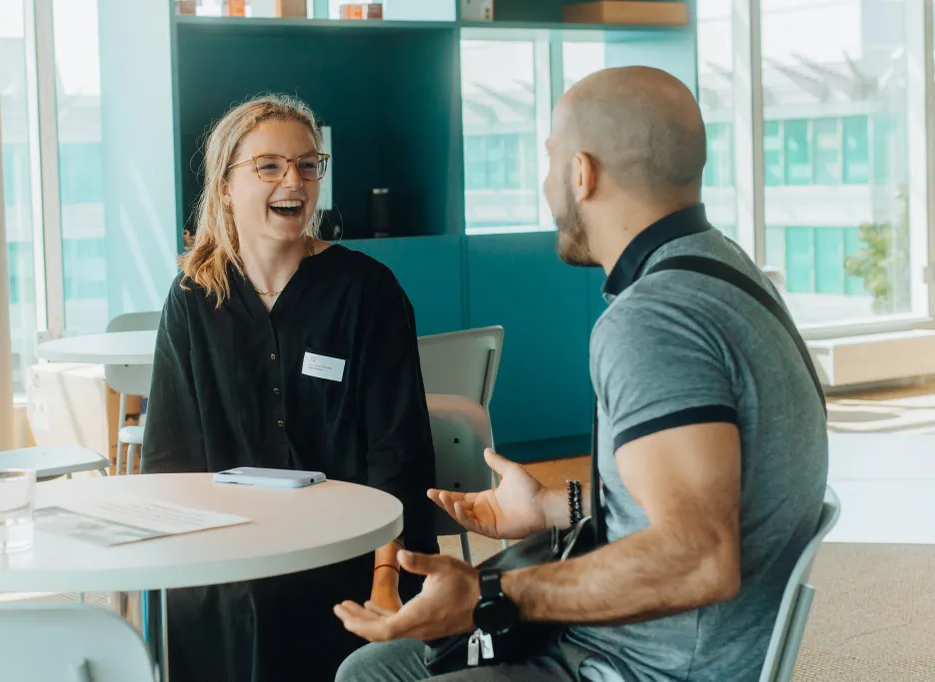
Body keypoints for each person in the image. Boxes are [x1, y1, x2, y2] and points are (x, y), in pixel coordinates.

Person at [333, 66, 829, 681]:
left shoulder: (652, 322)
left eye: (550, 160)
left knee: (370, 676)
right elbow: (703, 496)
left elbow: (697, 557)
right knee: (376, 664)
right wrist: (551, 507)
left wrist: (493, 597)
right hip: (692, 647)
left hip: (641, 664)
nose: (547, 183)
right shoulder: (728, 273)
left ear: (581, 173)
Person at [140, 94, 438, 682]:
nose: (294, 181)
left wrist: (387, 578)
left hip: (346, 554)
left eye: (308, 164)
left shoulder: (366, 291)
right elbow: (170, 459)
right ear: (225, 185)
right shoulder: (193, 298)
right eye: (270, 165)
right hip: (228, 553)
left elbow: (397, 450)